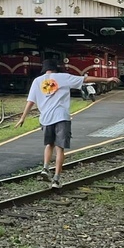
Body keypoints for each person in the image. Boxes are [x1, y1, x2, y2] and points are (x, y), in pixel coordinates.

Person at [14, 58, 87, 188]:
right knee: (60, 149)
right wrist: (107, 80)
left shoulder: (37, 81)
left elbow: (30, 101)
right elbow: (85, 79)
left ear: (44, 69)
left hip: (46, 119)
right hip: (61, 117)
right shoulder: (63, 77)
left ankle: (45, 168)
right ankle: (56, 180)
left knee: (49, 145)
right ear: (55, 68)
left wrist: (22, 117)